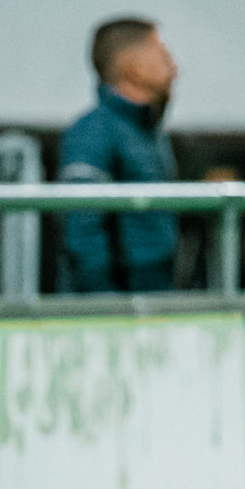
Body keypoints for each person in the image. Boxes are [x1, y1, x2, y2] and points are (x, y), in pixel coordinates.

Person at [58, 18, 182, 294]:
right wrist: (106, 307)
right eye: (162, 56)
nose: (174, 69)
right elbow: (83, 232)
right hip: (114, 313)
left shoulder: (151, 134)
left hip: (150, 302)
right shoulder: (92, 133)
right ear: (134, 68)